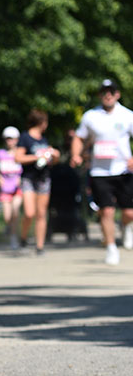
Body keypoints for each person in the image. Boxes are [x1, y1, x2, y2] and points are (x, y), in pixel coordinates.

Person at [70, 79, 133, 265]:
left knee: (129, 213)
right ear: (100, 95)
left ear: (117, 94)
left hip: (123, 170)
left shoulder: (127, 115)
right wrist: (76, 154)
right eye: (104, 92)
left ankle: (127, 226)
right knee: (106, 211)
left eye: (111, 91)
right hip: (99, 171)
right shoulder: (91, 116)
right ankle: (111, 247)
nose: (108, 95)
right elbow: (79, 138)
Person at [14, 109, 60, 254]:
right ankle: (23, 237)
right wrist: (36, 157)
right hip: (29, 178)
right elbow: (18, 158)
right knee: (29, 212)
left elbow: (52, 162)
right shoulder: (25, 137)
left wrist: (55, 155)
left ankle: (39, 246)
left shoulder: (44, 140)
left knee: (41, 213)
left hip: (43, 178)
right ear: (41, 122)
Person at [0, 126, 24, 250]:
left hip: (17, 188)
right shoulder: (0, 154)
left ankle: (14, 238)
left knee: (15, 212)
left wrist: (21, 179)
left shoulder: (20, 153)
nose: (10, 141)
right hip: (5, 189)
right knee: (7, 216)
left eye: (12, 139)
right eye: (8, 139)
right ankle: (9, 228)